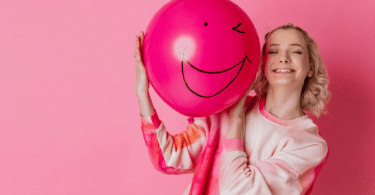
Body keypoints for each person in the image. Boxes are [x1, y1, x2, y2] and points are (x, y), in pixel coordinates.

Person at [134, 23, 331, 195]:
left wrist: (237, 119)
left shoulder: (310, 145)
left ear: (310, 67)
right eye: (273, 51)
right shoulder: (224, 111)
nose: (283, 58)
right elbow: (169, 158)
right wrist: (143, 93)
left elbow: (236, 191)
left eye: (296, 51)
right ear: (263, 62)